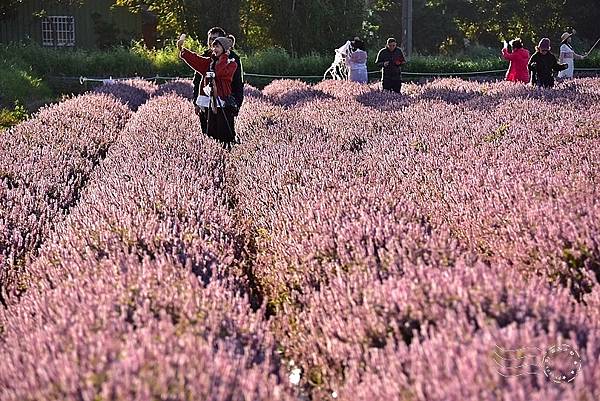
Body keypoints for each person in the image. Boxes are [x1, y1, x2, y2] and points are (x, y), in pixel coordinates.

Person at [178, 35, 238, 146]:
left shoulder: (232, 64)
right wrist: (183, 50)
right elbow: (196, 60)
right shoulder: (210, 62)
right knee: (211, 131)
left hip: (223, 103)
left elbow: (220, 72)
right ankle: (213, 154)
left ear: (224, 48)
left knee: (224, 133)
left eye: (218, 47)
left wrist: (224, 57)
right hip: (209, 102)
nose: (214, 49)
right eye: (214, 47)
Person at [192, 27, 244, 137]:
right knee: (208, 134)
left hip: (225, 103)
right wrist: (196, 102)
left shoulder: (233, 58)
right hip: (205, 103)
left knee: (225, 135)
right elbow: (197, 81)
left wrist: (237, 104)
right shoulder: (205, 56)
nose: (212, 42)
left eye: (215, 39)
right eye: (210, 39)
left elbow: (238, 83)